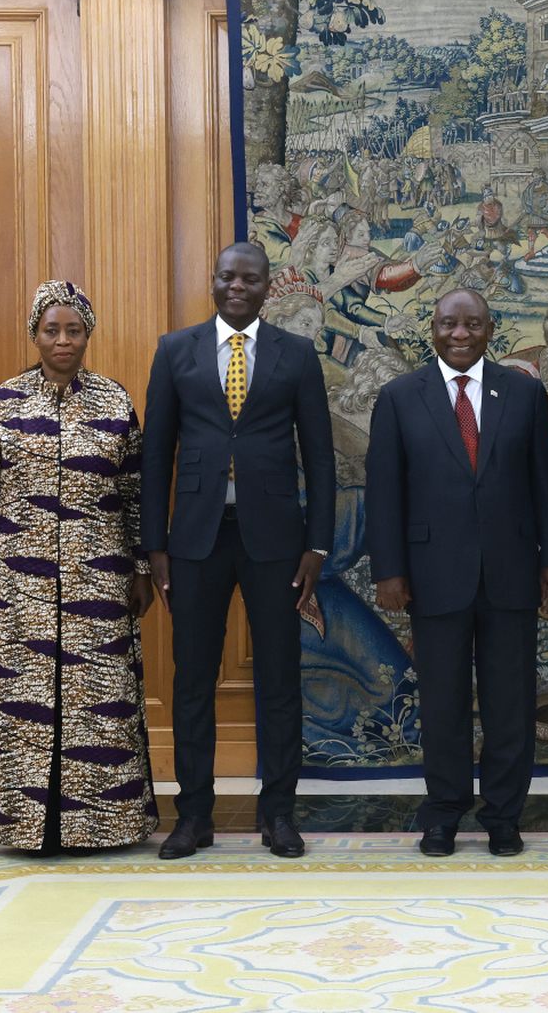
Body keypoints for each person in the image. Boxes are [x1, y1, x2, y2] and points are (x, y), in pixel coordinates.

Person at [141, 242, 335, 860]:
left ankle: (278, 813)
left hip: (276, 541)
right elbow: (155, 458)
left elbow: (322, 460)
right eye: (227, 276)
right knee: (192, 680)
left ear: (267, 287)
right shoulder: (176, 351)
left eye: (249, 279)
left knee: (280, 680)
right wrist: (155, 547)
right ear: (213, 280)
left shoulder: (296, 355)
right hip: (194, 541)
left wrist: (318, 545)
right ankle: (192, 815)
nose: (237, 287)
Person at [365, 288, 548, 857]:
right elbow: (385, 494)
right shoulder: (401, 397)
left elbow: (546, 487)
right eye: (449, 324)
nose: (460, 334)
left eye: (472, 324)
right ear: (432, 329)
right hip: (431, 576)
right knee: (443, 702)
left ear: (490, 329)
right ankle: (444, 815)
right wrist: (389, 570)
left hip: (511, 573)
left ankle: (504, 816)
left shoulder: (524, 393)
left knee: (511, 704)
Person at [0, 280, 157, 854]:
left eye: (74, 330)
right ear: (35, 335)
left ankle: (105, 825)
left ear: (88, 334)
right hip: (17, 581)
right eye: (52, 330)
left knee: (98, 699)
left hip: (98, 577)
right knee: (21, 701)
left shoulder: (114, 401)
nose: (63, 340)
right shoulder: (6, 401)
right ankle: (23, 826)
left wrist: (140, 568)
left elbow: (134, 492)